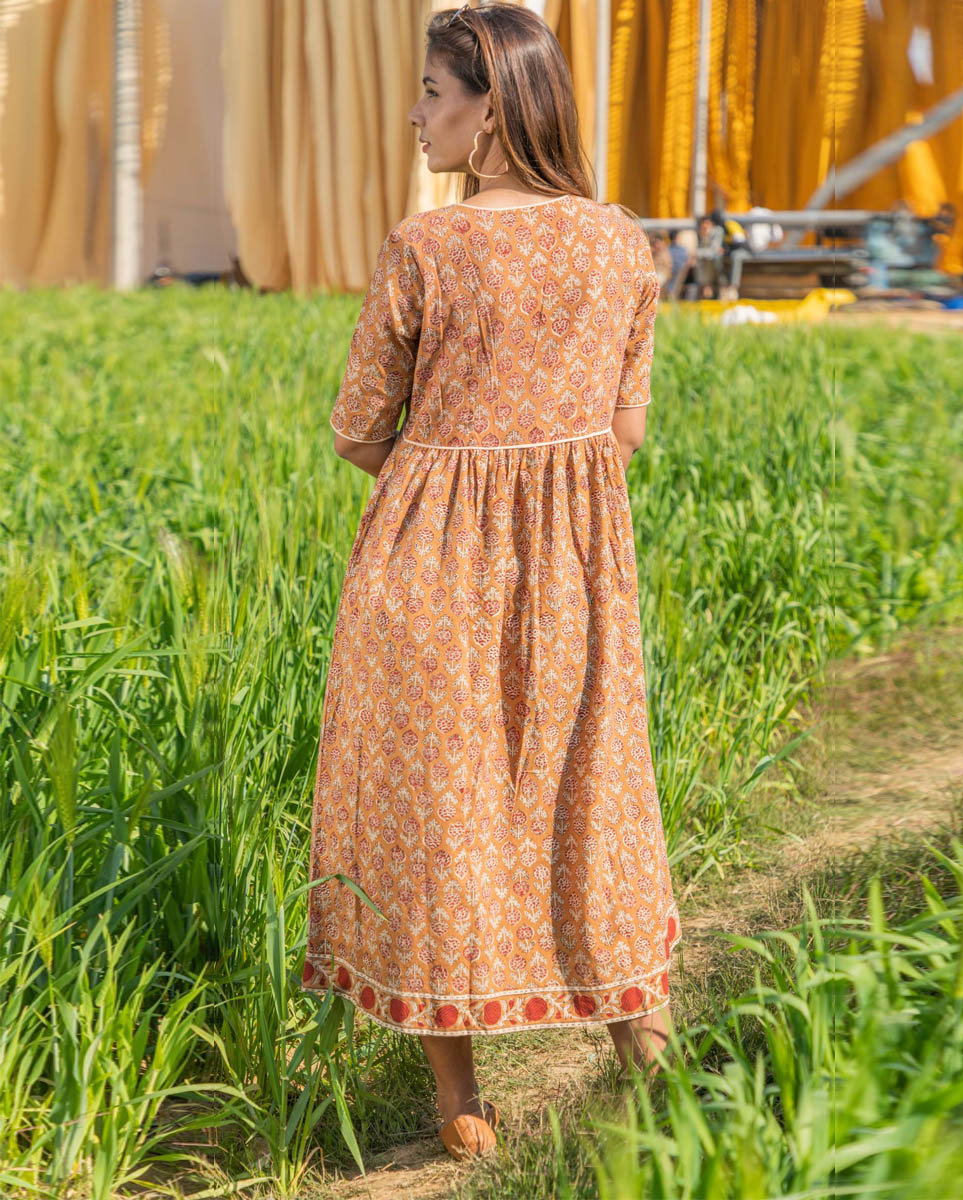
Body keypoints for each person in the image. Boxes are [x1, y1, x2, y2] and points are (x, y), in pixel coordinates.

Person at [299, 0, 682, 1164]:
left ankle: (460, 1104)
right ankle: (652, 1067)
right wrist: (543, 488)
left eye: (432, 93)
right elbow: (624, 430)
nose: (417, 116)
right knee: (592, 794)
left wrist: (455, 468)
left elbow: (357, 430)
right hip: (577, 574)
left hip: (427, 567)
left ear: (493, 108)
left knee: (442, 809)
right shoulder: (621, 244)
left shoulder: (426, 248)